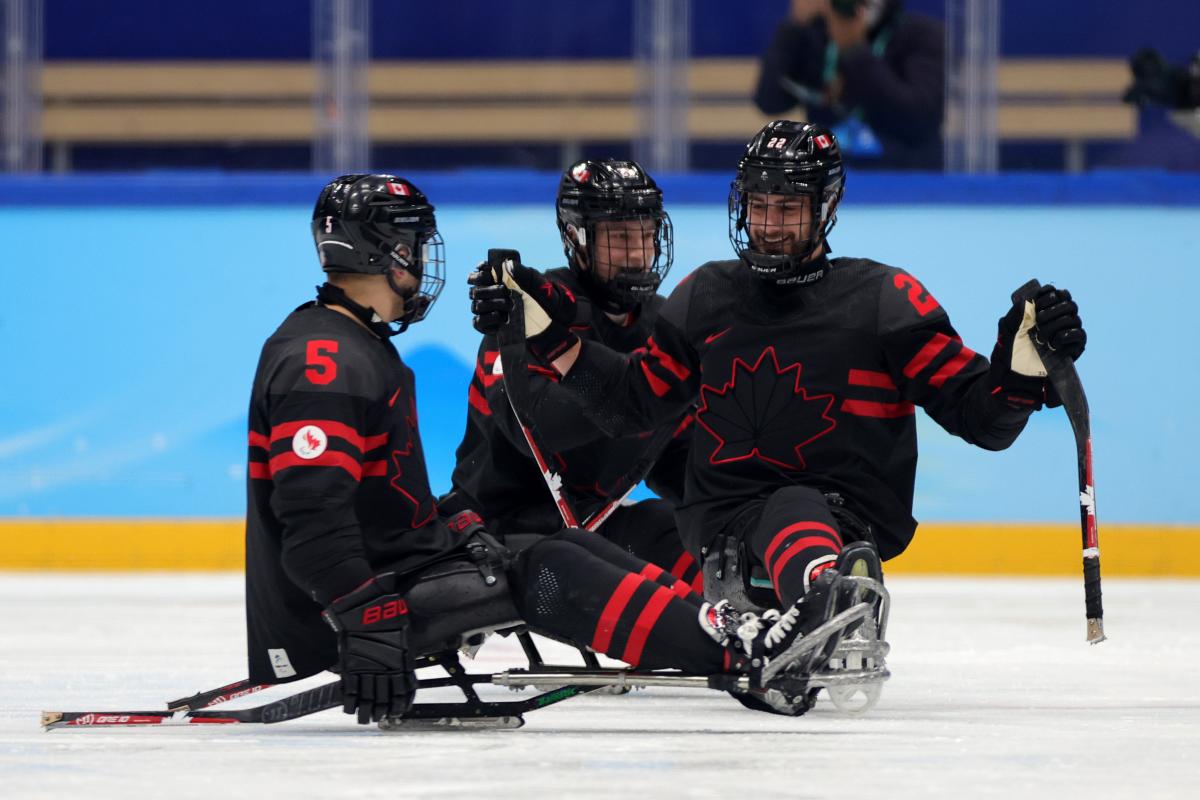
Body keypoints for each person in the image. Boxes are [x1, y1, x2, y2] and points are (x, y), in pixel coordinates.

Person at [243, 172, 862, 725]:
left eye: (641, 233)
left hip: (406, 567)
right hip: (359, 604)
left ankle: (752, 628)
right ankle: (745, 656)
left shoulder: (352, 344)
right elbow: (311, 516)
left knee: (587, 545)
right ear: (391, 252)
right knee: (552, 567)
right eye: (420, 246)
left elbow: (364, 506)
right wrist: (363, 615)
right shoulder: (325, 361)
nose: (426, 259)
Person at [486, 120, 1087, 617]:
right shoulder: (703, 298)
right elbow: (628, 404)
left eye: (789, 208)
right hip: (727, 517)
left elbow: (981, 420)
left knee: (799, 504)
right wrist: (545, 334)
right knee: (786, 506)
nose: (769, 225)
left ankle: (829, 592)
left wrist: (1018, 374)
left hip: (855, 510)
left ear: (826, 207)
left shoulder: (887, 299)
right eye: (759, 205)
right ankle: (831, 596)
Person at [453, 159, 700, 589]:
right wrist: (642, 396)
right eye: (619, 237)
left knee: (691, 534)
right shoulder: (528, 310)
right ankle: (717, 644)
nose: (638, 253)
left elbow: (675, 455)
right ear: (576, 238)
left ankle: (754, 626)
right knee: (644, 540)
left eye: (646, 234)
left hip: (588, 521)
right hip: (498, 527)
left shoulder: (659, 320)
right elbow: (539, 430)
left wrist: (733, 508)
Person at [753, 0, 943, 169]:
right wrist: (793, 26)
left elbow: (919, 118)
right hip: (829, 177)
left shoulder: (921, 35)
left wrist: (855, 50)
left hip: (906, 178)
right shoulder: (816, 33)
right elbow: (770, 101)